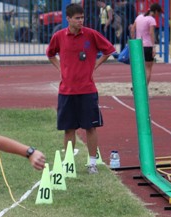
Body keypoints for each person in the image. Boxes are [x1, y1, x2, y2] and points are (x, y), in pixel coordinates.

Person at [46, 3, 116, 174]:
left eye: (82, 17)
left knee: (90, 127)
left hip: (87, 90)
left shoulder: (91, 35)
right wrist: (60, 68)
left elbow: (108, 50)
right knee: (69, 129)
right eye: (77, 18)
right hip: (66, 91)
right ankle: (68, 163)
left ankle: (92, 163)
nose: (80, 21)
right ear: (68, 19)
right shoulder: (59, 36)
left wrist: (95, 66)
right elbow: (50, 54)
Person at [130, 2, 162, 86]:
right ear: (155, 11)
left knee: (139, 68)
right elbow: (151, 33)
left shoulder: (139, 17)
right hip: (147, 46)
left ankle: (136, 87)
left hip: (138, 46)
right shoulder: (151, 19)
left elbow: (132, 29)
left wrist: (134, 40)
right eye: (158, 13)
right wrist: (154, 47)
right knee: (148, 68)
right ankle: (144, 89)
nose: (158, 15)